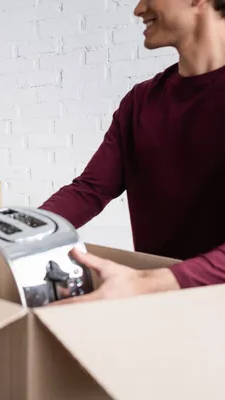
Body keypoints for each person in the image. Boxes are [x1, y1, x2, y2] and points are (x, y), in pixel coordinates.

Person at [38, 0, 225, 305]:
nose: (139, 9)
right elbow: (90, 190)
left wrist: (150, 282)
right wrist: (22, 230)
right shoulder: (141, 101)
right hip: (162, 305)